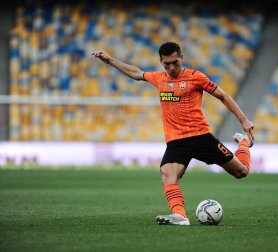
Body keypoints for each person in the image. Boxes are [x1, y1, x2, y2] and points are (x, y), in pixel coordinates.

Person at [92, 42, 254, 226]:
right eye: (166, 64)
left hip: (200, 137)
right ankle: (180, 216)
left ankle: (242, 143)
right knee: (167, 174)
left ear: (182, 58)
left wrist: (243, 120)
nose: (171, 68)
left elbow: (223, 96)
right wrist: (110, 60)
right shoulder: (159, 78)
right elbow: (136, 73)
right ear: (161, 62)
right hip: (177, 141)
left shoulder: (195, 77)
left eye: (175, 62)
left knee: (241, 172)